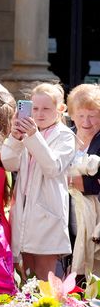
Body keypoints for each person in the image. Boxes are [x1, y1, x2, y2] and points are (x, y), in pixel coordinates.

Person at [2, 83, 75, 281]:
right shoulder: (26, 134)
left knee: (45, 278)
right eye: (35, 108)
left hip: (47, 213)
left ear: (60, 110)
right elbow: (8, 163)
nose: (39, 114)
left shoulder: (66, 136)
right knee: (26, 277)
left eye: (46, 109)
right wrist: (15, 138)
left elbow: (52, 167)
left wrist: (33, 137)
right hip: (24, 211)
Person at [66, 84, 100, 278]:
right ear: (71, 114)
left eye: (92, 115)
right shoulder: (63, 137)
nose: (86, 121)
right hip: (65, 212)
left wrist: (82, 183)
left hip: (95, 216)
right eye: (80, 115)